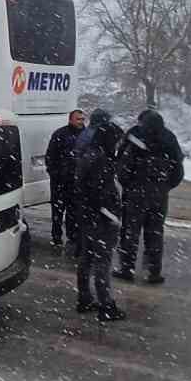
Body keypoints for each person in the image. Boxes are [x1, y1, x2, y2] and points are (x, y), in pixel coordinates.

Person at [114, 108, 185, 285]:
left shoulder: (134, 135)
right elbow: (178, 169)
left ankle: (127, 268)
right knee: (155, 233)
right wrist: (165, 187)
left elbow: (122, 164)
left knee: (130, 232)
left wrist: (129, 185)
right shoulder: (169, 138)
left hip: (135, 193)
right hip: (159, 194)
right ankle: (154, 271)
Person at [69, 109, 126, 320]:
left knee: (87, 257)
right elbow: (100, 194)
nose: (118, 146)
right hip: (101, 219)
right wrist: (112, 216)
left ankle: (85, 298)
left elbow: (84, 188)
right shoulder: (101, 161)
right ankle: (106, 306)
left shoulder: (90, 154)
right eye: (116, 142)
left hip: (87, 216)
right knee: (102, 261)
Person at [44, 109, 86, 247]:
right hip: (60, 181)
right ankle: (56, 237)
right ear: (70, 120)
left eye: (82, 119)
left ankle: (72, 235)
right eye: (78, 119)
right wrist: (55, 173)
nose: (81, 122)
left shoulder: (85, 136)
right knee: (57, 211)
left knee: (73, 211)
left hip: (76, 181)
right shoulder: (60, 134)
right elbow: (50, 156)